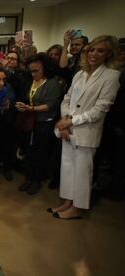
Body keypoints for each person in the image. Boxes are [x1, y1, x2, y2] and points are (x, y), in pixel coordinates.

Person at [50, 35, 121, 219]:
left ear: (108, 54)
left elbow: (99, 110)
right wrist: (65, 122)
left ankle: (78, 207)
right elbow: (66, 99)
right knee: (67, 168)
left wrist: (71, 121)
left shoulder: (111, 76)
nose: (94, 54)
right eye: (91, 50)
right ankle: (67, 201)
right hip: (68, 130)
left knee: (82, 173)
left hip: (86, 132)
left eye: (100, 50)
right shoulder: (79, 74)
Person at [16, 53, 63, 195]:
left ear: (45, 68)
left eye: (36, 70)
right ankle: (28, 177)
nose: (33, 73)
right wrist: (23, 106)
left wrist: (31, 108)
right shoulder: (31, 81)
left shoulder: (52, 83)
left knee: (40, 153)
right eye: (31, 71)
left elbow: (50, 105)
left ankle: (36, 180)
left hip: (44, 123)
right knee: (29, 152)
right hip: (30, 122)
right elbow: (28, 98)